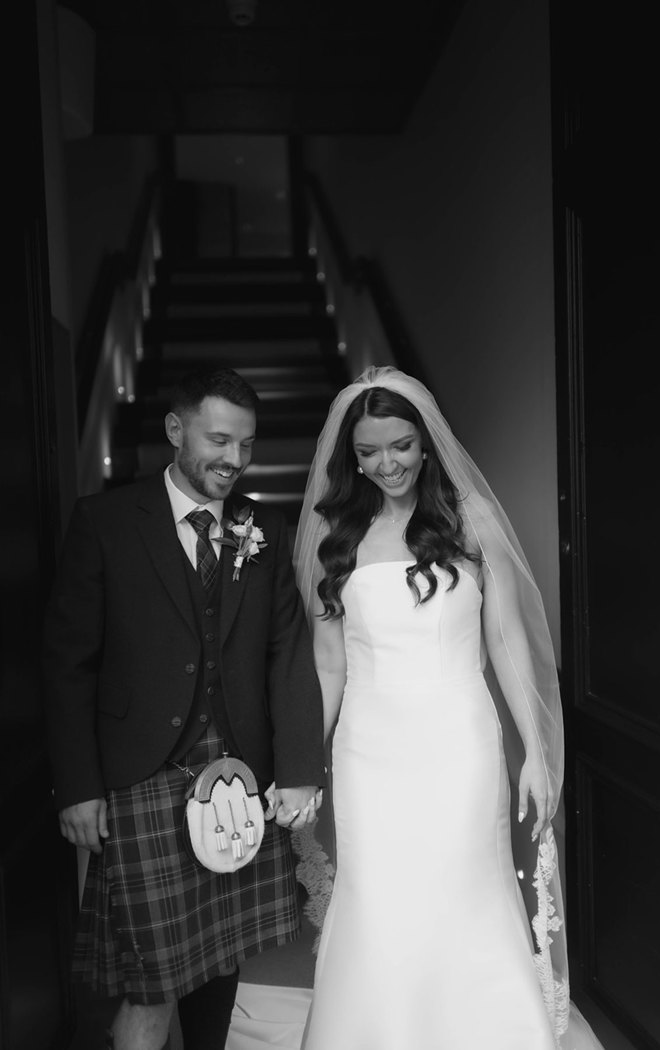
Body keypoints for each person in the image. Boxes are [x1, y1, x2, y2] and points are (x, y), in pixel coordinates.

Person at [293, 366, 605, 1050]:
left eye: (400, 446)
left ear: (426, 442)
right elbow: (327, 662)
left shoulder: (471, 521)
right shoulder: (334, 534)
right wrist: (304, 764)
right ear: (351, 456)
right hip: (367, 752)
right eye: (369, 451)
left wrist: (534, 752)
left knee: (465, 892)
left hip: (461, 745)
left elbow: (508, 642)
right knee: (377, 903)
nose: (386, 463)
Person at [42, 366, 326, 1050]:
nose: (235, 460)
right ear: (176, 431)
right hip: (142, 776)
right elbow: (67, 663)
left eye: (247, 445)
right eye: (220, 440)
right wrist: (78, 786)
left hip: (237, 777)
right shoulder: (106, 521)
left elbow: (285, 652)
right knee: (152, 978)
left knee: (221, 957)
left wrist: (298, 768)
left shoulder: (266, 527)